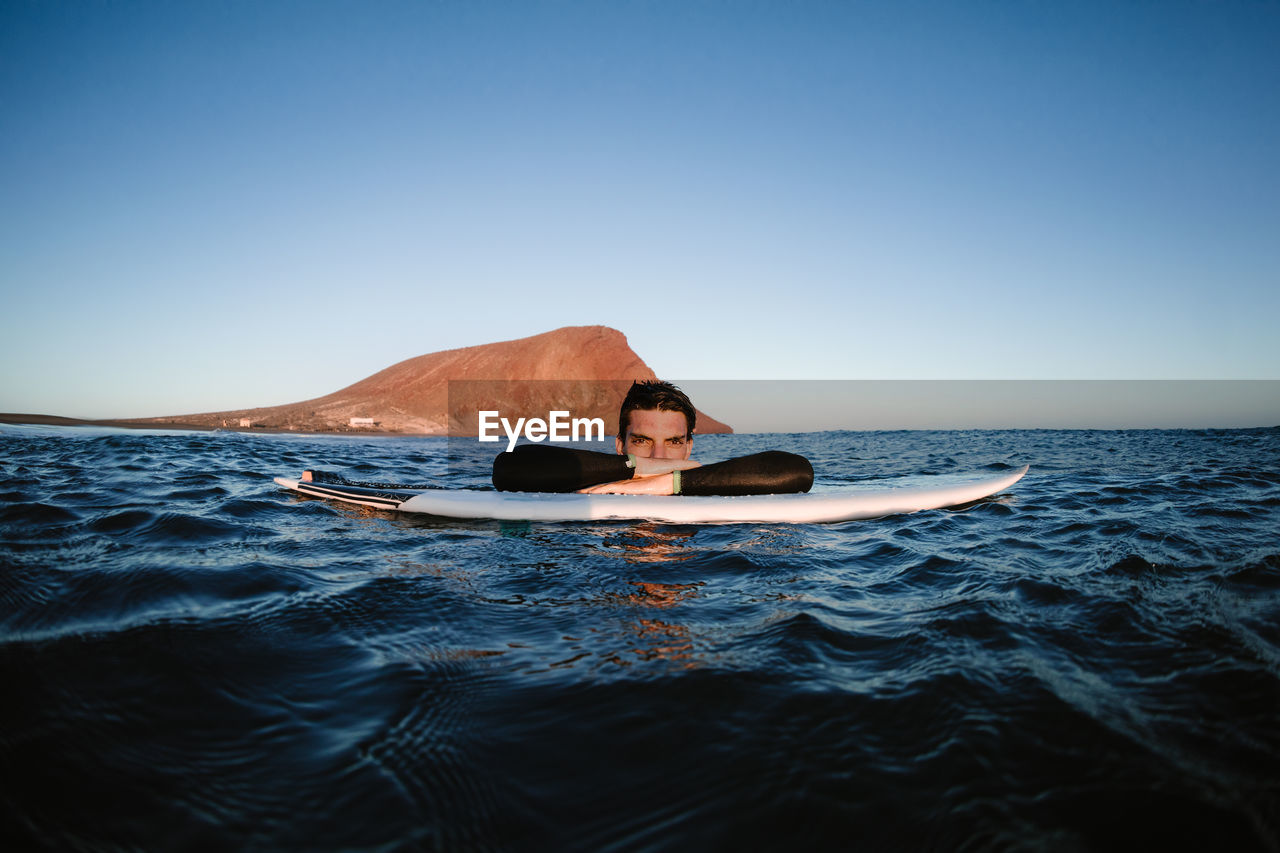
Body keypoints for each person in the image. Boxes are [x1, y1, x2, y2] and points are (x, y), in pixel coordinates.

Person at [491, 380, 813, 496]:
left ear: (689, 445)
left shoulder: (717, 484)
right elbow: (509, 468)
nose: (658, 455)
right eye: (642, 441)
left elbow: (797, 470)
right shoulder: (592, 491)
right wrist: (637, 469)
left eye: (673, 442)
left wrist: (666, 483)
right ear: (620, 446)